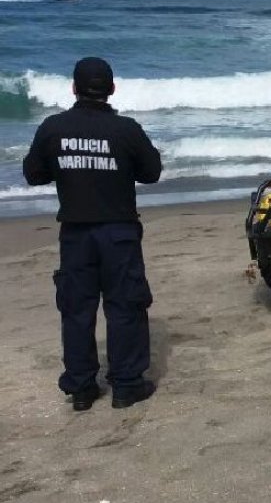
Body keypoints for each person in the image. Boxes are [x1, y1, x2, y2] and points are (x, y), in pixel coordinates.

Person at [23, 57, 162, 411]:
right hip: (119, 233)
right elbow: (151, 172)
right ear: (112, 89)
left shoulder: (54, 127)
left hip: (75, 235)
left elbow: (33, 173)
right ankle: (127, 384)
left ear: (74, 88)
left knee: (76, 309)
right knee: (125, 305)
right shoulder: (126, 129)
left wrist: (68, 166)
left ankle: (82, 387)